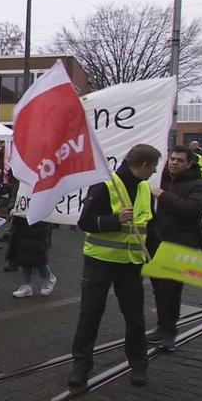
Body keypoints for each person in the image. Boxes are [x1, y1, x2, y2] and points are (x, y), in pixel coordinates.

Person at [68, 144, 161, 388]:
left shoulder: (144, 188)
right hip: (100, 261)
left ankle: (138, 364)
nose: (155, 171)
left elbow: (150, 226)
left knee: (135, 316)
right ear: (144, 165)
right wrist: (115, 220)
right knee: (90, 314)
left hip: (131, 263)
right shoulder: (105, 184)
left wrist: (157, 258)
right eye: (153, 167)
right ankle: (81, 366)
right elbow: (85, 222)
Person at [146, 145, 202, 351]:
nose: (174, 162)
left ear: (189, 164)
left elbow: (192, 209)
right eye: (172, 159)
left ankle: (169, 331)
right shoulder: (158, 179)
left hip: (181, 243)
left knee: (171, 288)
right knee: (158, 287)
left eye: (180, 160)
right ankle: (161, 326)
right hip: (155, 240)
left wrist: (163, 196)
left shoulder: (197, 185)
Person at [7, 214, 56, 298]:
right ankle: (27, 285)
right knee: (24, 254)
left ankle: (49, 278)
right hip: (23, 221)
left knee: (37, 254)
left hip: (39, 221)